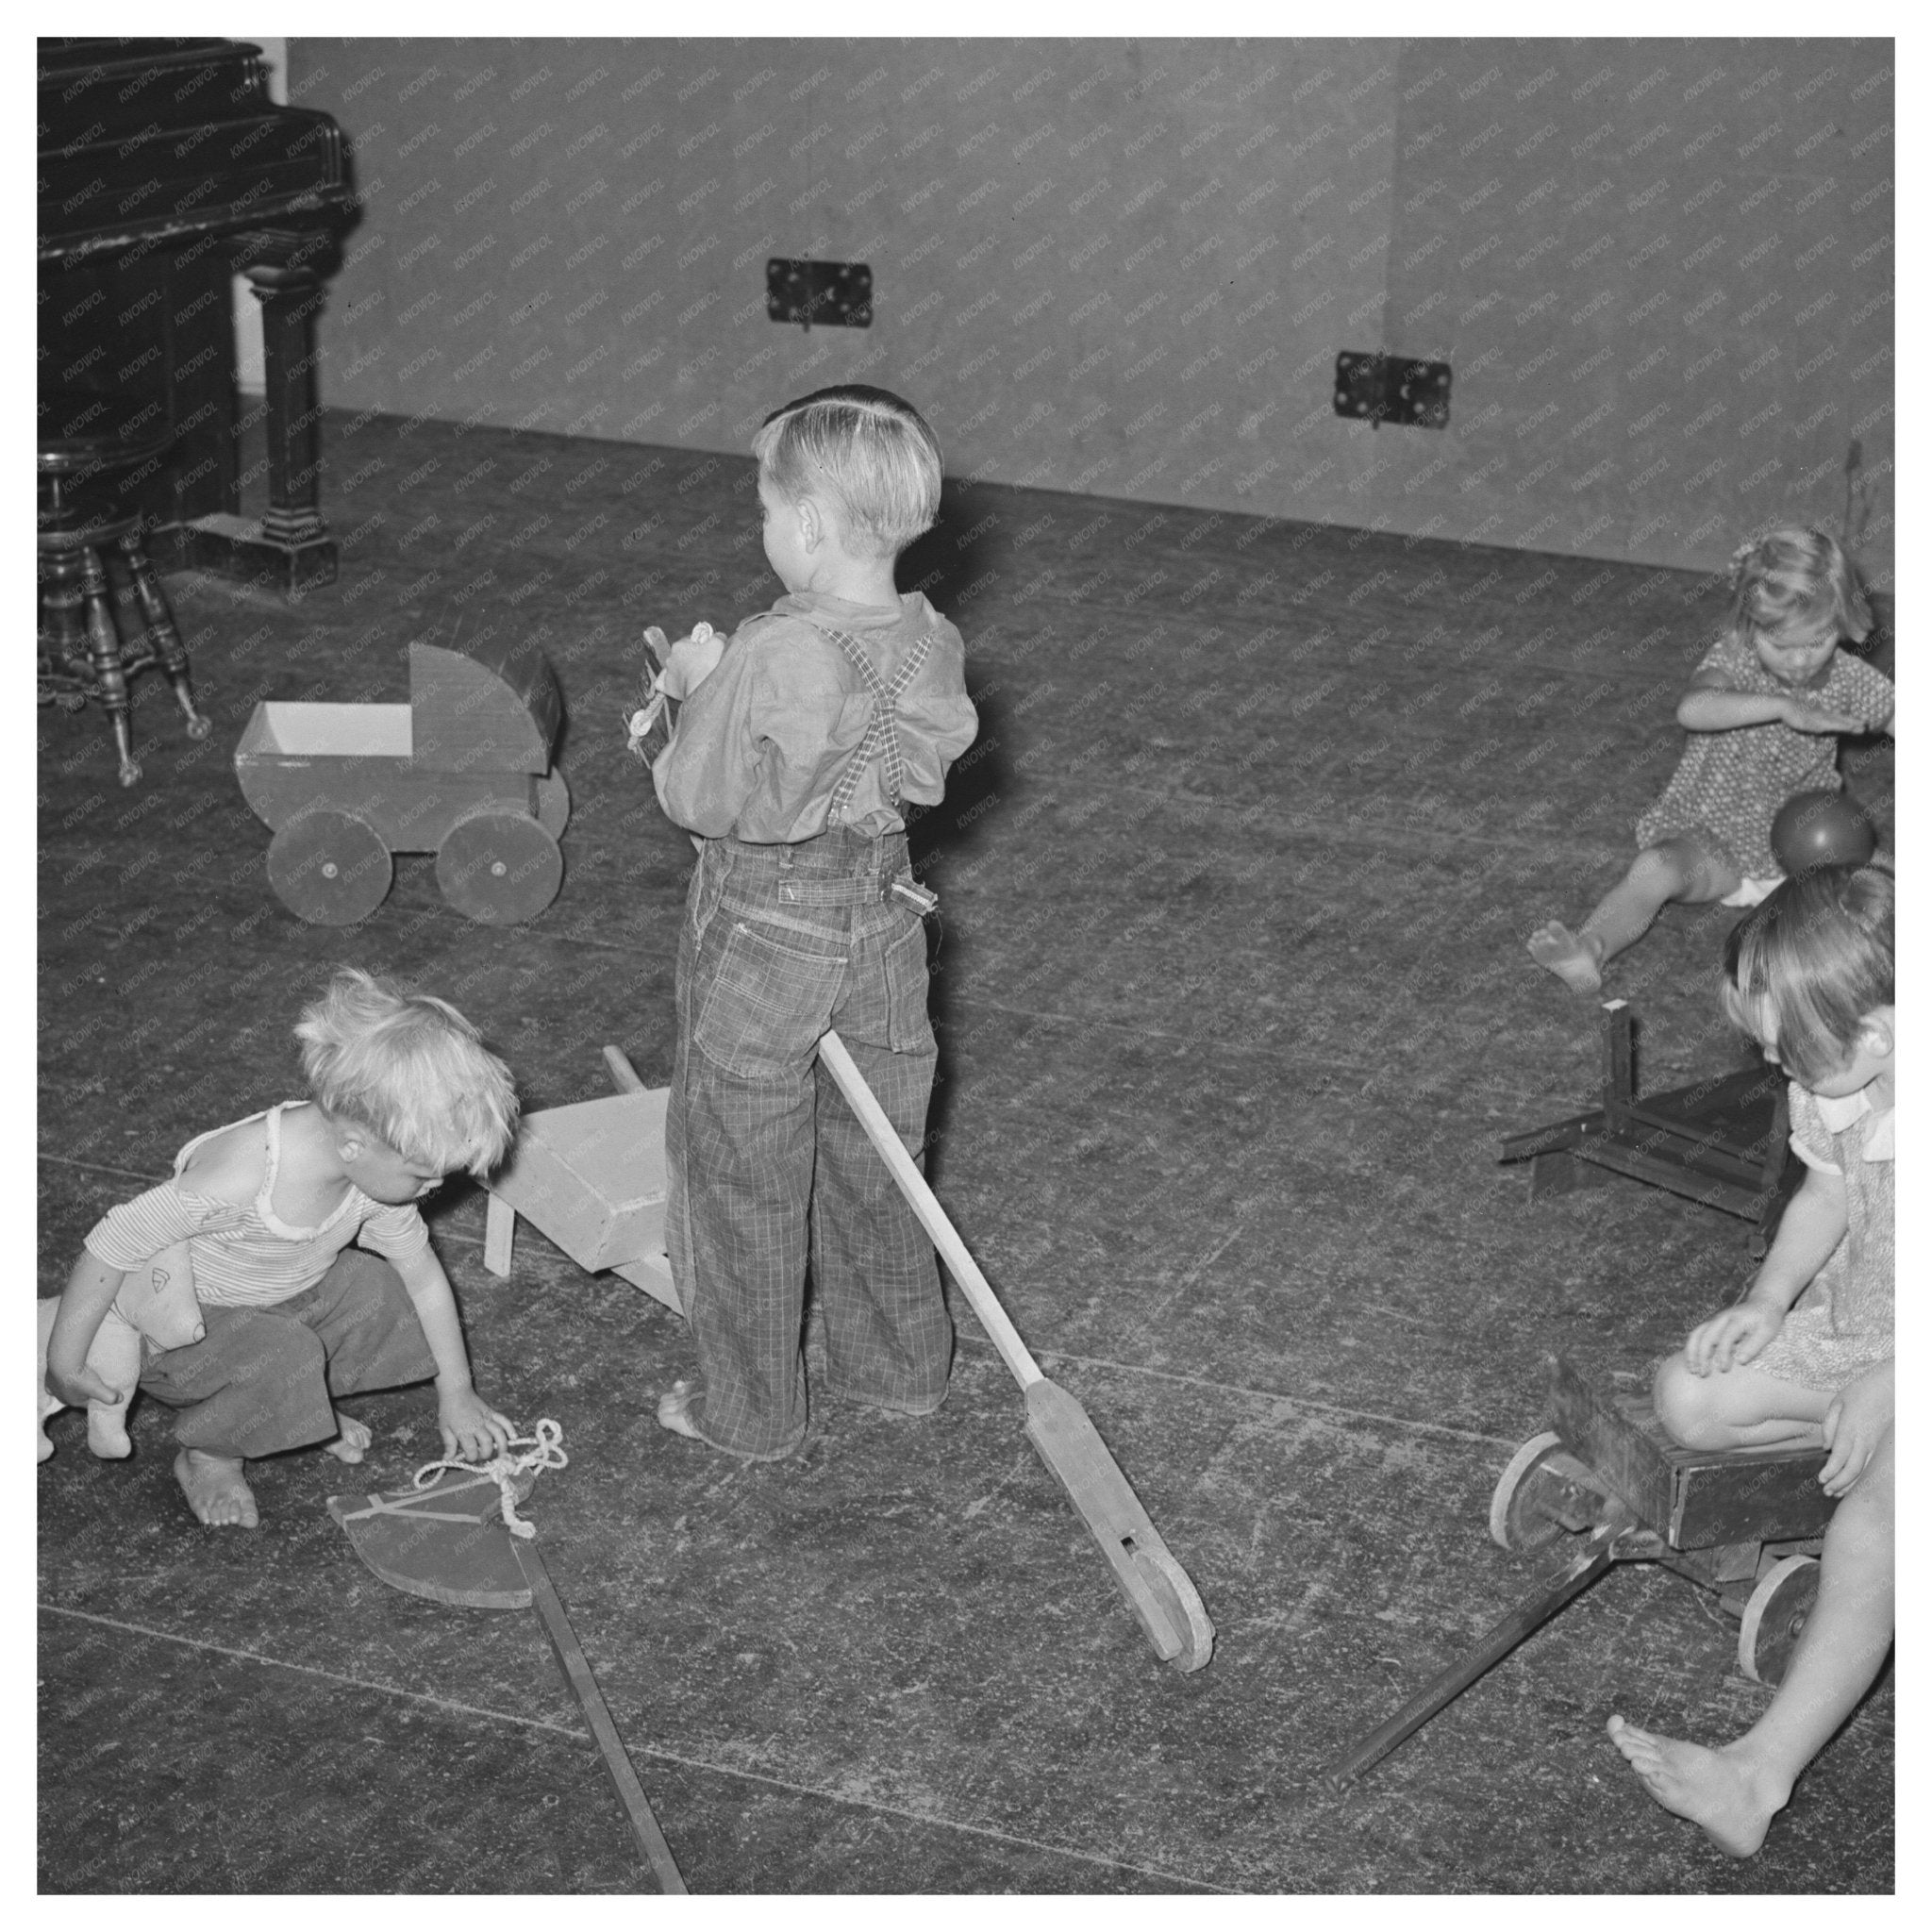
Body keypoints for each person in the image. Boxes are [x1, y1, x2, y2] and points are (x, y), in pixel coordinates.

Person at [644, 383, 978, 1460]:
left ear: (807, 525)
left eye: (761, 505)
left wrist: (693, 690)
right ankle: (897, 1370)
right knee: (881, 1155)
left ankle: (750, 1411)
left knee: (740, 1173)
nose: (762, 527)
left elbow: (696, 797)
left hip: (764, 927)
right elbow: (905, 769)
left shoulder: (769, 649)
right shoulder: (931, 638)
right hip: (884, 918)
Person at [1607, 864, 1894, 1856]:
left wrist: (1896, 1385)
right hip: (1872, 1322)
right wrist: (1768, 1299)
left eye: (1788, 1051)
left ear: (1878, 1034)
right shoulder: (1841, 1078)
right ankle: (1868, 1465)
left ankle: (1753, 1772)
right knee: (1688, 1395)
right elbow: (1825, 1193)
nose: (1777, 1068)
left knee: (1880, 1512)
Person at [44, 968, 520, 1529]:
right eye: (423, 1175)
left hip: (278, 1301)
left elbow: (424, 1281)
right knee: (285, 1354)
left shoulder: (373, 1175)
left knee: (381, 1292)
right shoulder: (241, 1174)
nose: (434, 1189)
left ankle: (300, 1411)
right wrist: (66, 1360)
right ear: (354, 1142)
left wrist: (458, 1393)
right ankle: (211, 1455)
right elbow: (110, 1246)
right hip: (183, 1330)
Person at [1530, 525, 1893, 992]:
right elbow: (1694, 708)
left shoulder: (1848, 678)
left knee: (1890, 876)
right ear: (1749, 625)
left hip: (1811, 847)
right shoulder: (1735, 660)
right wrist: (1783, 707)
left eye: (1818, 641)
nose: (1801, 661)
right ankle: (1591, 948)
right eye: (1782, 645)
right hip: (1712, 841)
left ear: (1842, 623)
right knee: (1654, 868)